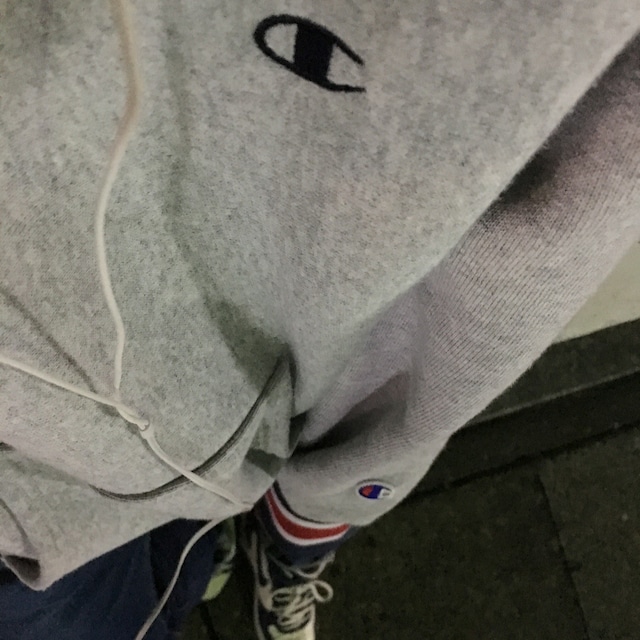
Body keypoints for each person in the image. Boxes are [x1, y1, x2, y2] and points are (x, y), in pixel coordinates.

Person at [0, 1, 639, 639]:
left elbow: (550, 222)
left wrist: (348, 478)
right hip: (40, 488)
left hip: (217, 400)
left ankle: (255, 549)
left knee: (164, 575)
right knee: (138, 602)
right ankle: (213, 549)